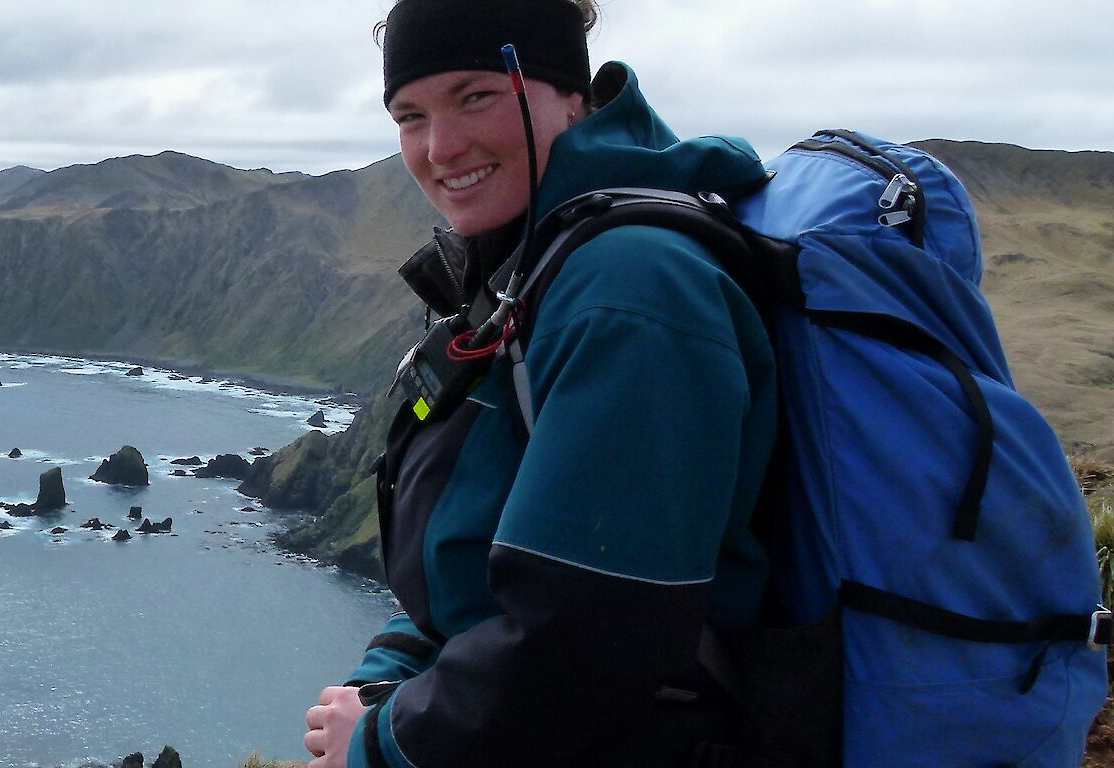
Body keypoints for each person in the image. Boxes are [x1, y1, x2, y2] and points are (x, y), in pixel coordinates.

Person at [302, 0, 779, 766]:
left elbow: (592, 637)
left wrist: (384, 741)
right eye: (409, 115)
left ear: (570, 92)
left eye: (476, 96)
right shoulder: (533, 263)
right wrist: (387, 675)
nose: (441, 147)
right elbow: (468, 571)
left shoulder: (631, 290)